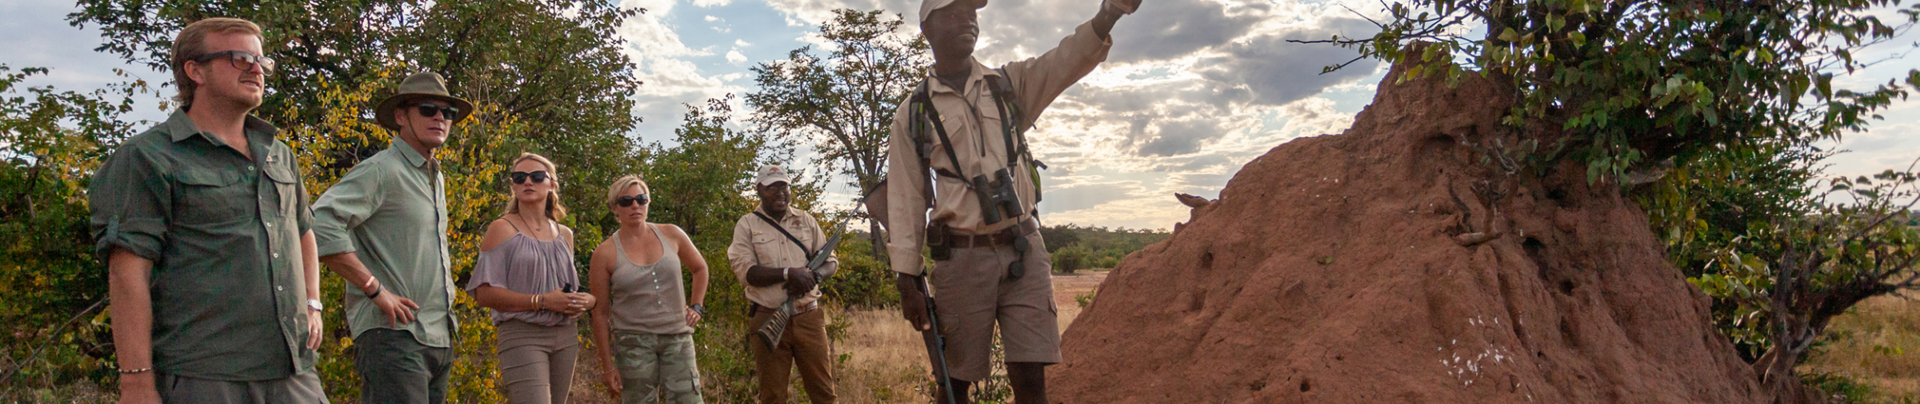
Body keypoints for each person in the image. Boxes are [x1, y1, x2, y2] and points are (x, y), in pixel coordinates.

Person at [882, 0, 1140, 403]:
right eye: (953, 12)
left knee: (1031, 379)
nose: (967, 19)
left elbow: (1063, 62)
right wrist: (907, 280)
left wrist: (1108, 13)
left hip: (1024, 249)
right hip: (962, 258)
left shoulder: (1006, 85)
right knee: (955, 383)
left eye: (972, 12)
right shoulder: (913, 112)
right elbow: (905, 198)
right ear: (927, 30)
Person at [88, 17, 330, 404]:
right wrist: (136, 383)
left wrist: (313, 303)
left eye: (261, 61)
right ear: (194, 70)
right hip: (205, 376)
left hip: (294, 372)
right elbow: (127, 274)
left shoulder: (279, 154)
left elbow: (302, 230)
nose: (256, 68)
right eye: (239, 57)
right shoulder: (147, 158)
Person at [311, 71, 470, 404]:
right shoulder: (381, 170)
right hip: (393, 337)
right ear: (401, 116)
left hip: (438, 337)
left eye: (448, 112)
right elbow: (318, 223)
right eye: (427, 109)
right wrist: (375, 289)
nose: (440, 117)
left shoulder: (435, 177)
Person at [467, 153, 596, 404]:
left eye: (537, 176)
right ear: (513, 186)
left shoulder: (565, 235)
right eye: (520, 177)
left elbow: (567, 290)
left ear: (551, 185)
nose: (528, 181)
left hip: (565, 334)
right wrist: (542, 301)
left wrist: (586, 300)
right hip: (521, 334)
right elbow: (483, 294)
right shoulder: (502, 228)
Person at [590, 175, 711, 404]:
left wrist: (697, 306)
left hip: (677, 337)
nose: (635, 205)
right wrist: (607, 367)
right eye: (626, 201)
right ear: (615, 208)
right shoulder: (604, 253)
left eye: (641, 199)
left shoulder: (671, 234)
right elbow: (600, 313)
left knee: (689, 400)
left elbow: (700, 268)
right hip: (633, 342)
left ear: (648, 202)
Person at [727, 166, 839, 404]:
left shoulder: (806, 220)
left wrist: (813, 278)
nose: (780, 192)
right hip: (768, 318)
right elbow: (747, 273)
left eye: (784, 186)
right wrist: (790, 274)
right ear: (759, 189)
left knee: (824, 394)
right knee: (773, 396)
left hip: (808, 318)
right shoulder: (746, 225)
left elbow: (831, 262)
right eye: (772, 187)